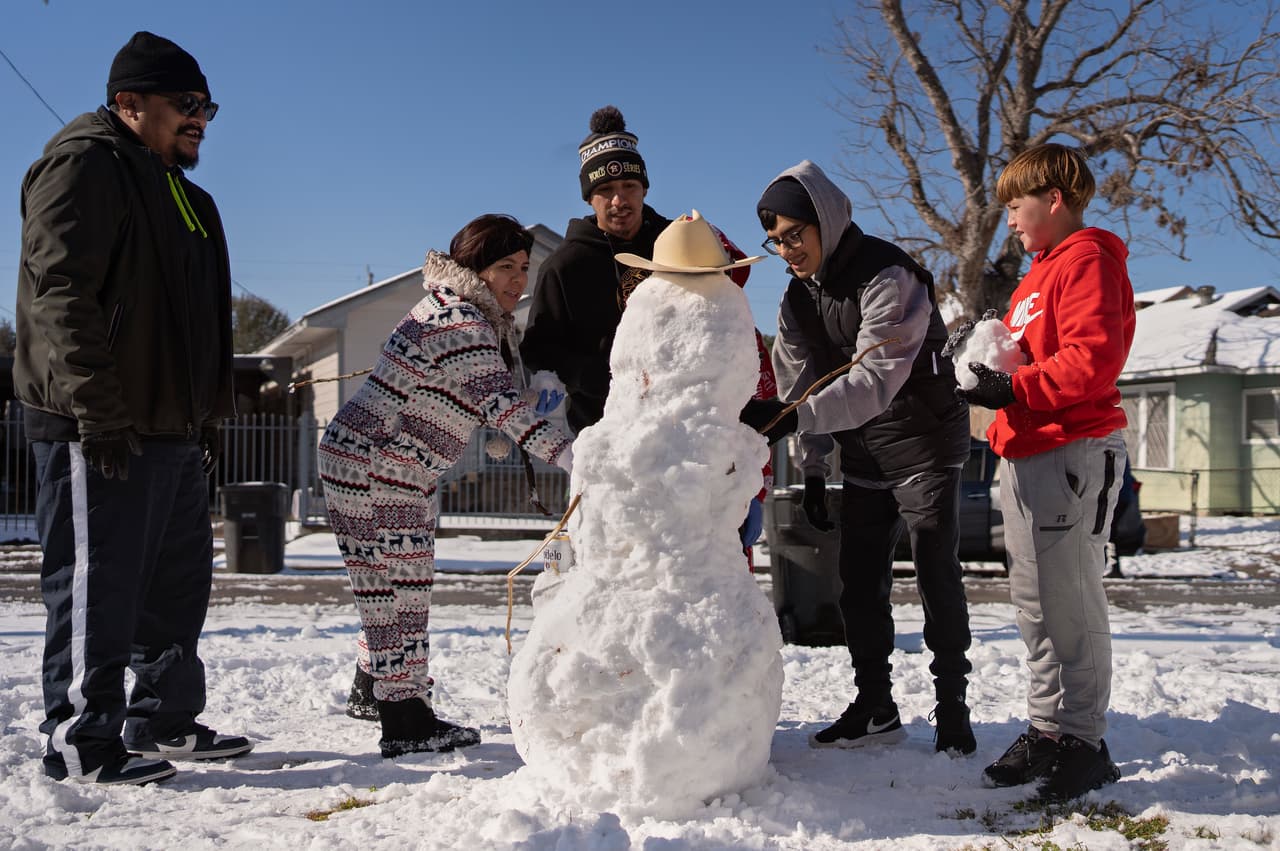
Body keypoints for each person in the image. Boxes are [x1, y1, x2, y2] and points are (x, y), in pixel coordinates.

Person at [14, 31, 247, 786]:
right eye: (186, 104)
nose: (200, 119)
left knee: (175, 589)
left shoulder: (184, 191)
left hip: (172, 428)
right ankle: (81, 738)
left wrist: (205, 413)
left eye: (206, 106)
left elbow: (198, 320)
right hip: (100, 423)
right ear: (129, 103)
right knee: (99, 584)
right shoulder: (84, 165)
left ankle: (162, 717)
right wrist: (96, 409)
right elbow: (59, 297)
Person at [319, 214, 575, 758]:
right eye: (505, 267)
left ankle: (374, 688)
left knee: (401, 584)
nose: (518, 280)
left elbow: (478, 393)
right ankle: (404, 718)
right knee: (393, 594)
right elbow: (498, 406)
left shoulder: (462, 313)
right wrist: (582, 462)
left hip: (392, 466)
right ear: (474, 268)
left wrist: (530, 402)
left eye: (525, 267)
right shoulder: (459, 320)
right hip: (372, 466)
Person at [743, 160, 976, 755]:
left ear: (825, 220)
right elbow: (800, 386)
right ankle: (875, 705)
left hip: (923, 441)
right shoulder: (797, 300)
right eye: (776, 242)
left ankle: (953, 708)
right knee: (858, 584)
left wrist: (796, 418)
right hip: (864, 452)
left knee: (933, 573)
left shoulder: (887, 275)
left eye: (795, 235)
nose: (788, 250)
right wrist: (814, 466)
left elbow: (876, 378)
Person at [953, 143, 1134, 801]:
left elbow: (1092, 359)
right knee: (1035, 609)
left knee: (1070, 601)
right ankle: (1049, 730)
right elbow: (1029, 356)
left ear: (1053, 200)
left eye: (1017, 206)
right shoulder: (1036, 276)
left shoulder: (1087, 260)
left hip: (1071, 450)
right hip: (1025, 452)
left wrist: (1015, 387)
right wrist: (989, 379)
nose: (1011, 222)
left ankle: (1083, 740)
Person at [520, 105, 776, 560]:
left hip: (685, 438)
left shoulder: (676, 244)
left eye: (629, 186)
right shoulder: (566, 266)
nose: (620, 199)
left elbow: (721, 314)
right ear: (589, 198)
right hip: (606, 439)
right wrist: (571, 378)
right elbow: (540, 348)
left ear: (643, 189)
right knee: (621, 569)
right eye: (607, 190)